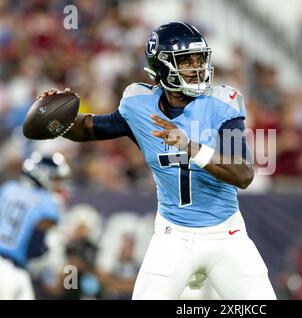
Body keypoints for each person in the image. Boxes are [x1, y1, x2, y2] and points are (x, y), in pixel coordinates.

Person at [31, 22, 276, 300]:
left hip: (226, 233)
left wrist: (191, 147)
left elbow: (243, 174)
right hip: (173, 235)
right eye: (186, 61)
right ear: (161, 67)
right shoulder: (139, 105)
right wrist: (56, 118)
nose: (197, 68)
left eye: (200, 59)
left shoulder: (223, 104)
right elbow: (89, 127)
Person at [0, 152, 70, 299]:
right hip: (11, 270)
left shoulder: (8, 188)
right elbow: (35, 248)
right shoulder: (47, 202)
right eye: (56, 179)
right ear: (44, 175)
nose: (59, 185)